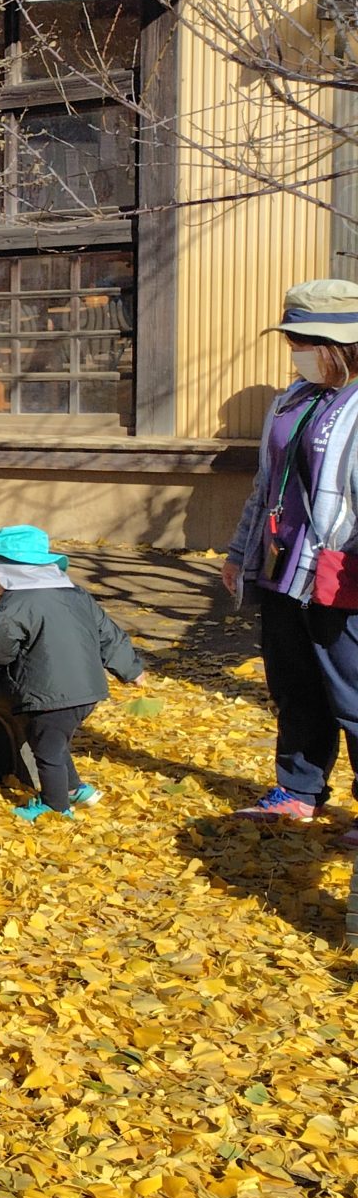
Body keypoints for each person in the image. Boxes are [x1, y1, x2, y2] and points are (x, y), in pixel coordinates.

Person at [225, 278, 358, 833]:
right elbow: (265, 483)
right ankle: (299, 789)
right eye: (291, 339)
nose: (295, 350)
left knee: (353, 691)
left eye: (305, 341)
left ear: (342, 344)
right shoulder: (293, 398)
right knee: (295, 686)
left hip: (342, 574)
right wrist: (240, 551)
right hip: (283, 567)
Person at [0, 524, 144, 820]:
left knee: (47, 752)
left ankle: (55, 807)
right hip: (87, 691)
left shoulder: (13, 606)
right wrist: (131, 669)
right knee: (52, 740)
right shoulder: (76, 595)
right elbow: (108, 634)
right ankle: (74, 789)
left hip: (49, 694)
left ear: (3, 572)